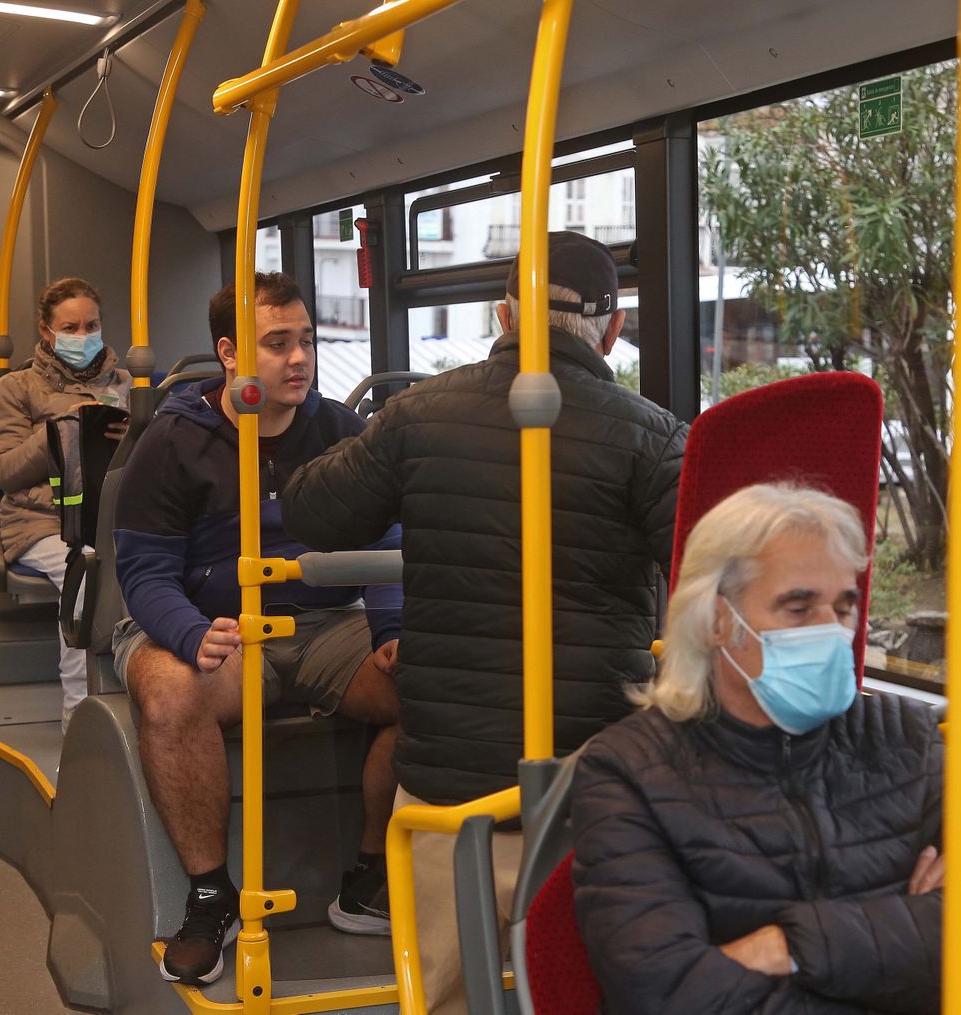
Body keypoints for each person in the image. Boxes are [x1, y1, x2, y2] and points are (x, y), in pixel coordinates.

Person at [281, 230, 688, 1013]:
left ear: (504, 314)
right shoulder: (654, 438)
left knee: (444, 996)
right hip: (588, 789)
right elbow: (716, 571)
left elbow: (313, 509)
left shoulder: (417, 416)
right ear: (614, 329)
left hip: (446, 791)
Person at [572, 483, 961, 1013]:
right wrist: (904, 931)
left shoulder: (905, 738)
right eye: (798, 607)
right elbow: (668, 994)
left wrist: (790, 946)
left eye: (843, 608)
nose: (832, 632)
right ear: (718, 621)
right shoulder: (630, 772)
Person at [112, 272, 402, 986]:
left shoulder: (339, 432)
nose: (298, 357)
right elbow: (144, 569)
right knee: (168, 690)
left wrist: (394, 623)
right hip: (219, 626)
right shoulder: (173, 441)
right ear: (231, 354)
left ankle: (370, 877)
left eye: (306, 340)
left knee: (436, 678)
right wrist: (187, 633)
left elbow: (389, 537)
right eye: (277, 344)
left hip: (324, 622)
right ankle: (212, 895)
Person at [0, 277, 130, 729]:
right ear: (47, 333)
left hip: (109, 519)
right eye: (70, 327)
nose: (83, 335)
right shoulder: (16, 388)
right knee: (85, 576)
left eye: (91, 325)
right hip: (40, 523)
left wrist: (134, 440)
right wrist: (59, 432)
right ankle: (80, 721)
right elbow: (3, 468)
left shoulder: (127, 383)